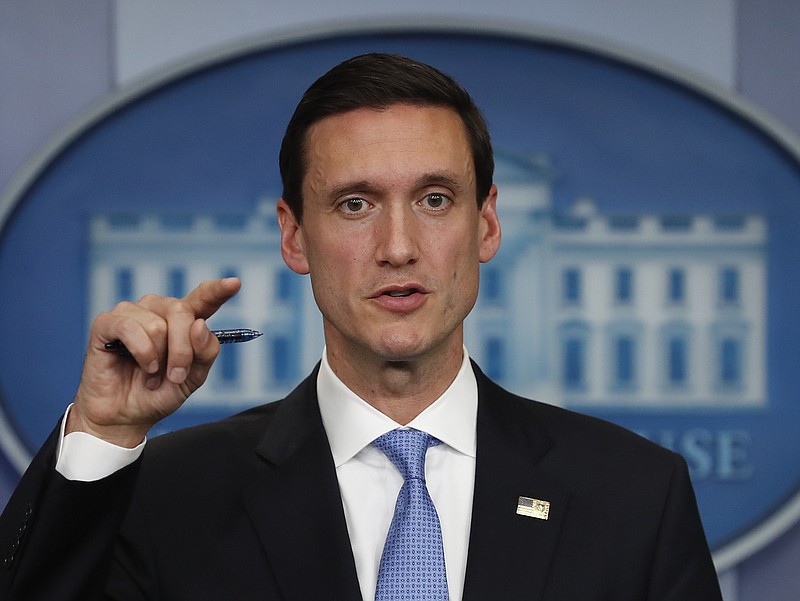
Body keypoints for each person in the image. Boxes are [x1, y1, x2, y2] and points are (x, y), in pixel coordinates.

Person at [0, 53, 722, 600]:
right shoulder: (163, 495)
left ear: (488, 223)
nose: (398, 245)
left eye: (435, 199)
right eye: (355, 204)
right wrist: (102, 436)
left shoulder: (635, 496)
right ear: (294, 236)